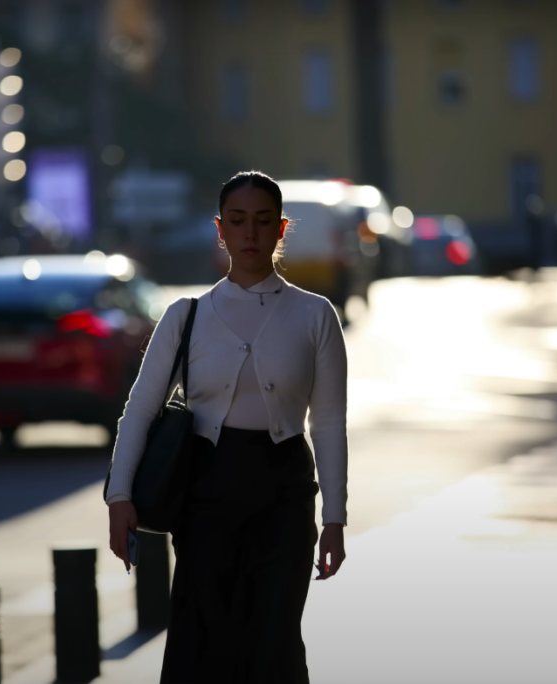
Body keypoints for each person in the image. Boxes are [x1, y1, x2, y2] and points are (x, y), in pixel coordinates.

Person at [106, 170, 348, 683]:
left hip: (283, 495)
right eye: (238, 221)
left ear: (282, 229)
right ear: (221, 229)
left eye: (263, 222)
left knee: (274, 640)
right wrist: (119, 497)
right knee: (204, 636)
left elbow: (327, 423)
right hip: (205, 494)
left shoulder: (315, 315)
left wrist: (334, 518)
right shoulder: (185, 315)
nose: (251, 234)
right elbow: (141, 408)